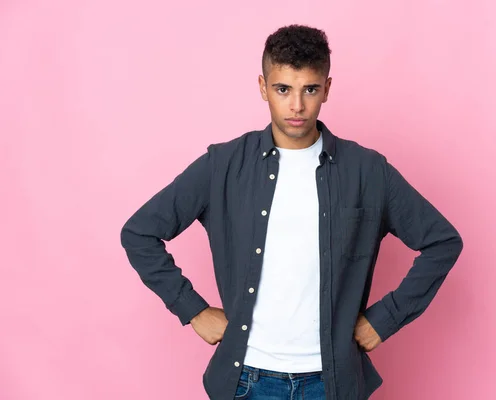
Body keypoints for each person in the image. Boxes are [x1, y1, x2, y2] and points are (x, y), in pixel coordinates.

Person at [120, 24, 463, 400]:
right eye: (283, 89)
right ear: (263, 87)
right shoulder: (223, 165)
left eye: (310, 90)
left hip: (330, 381)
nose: (296, 106)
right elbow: (139, 233)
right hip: (247, 380)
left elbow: (442, 242)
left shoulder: (367, 170)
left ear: (327, 89)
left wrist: (385, 319)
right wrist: (193, 309)